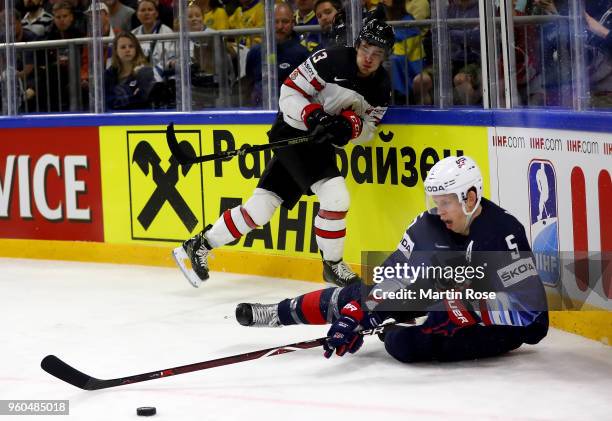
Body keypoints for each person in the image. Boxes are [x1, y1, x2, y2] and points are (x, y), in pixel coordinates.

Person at [233, 155, 549, 362]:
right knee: (358, 296)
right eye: (435, 202)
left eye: (445, 203)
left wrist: (466, 307)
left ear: (469, 197)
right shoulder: (428, 225)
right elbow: (389, 277)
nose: (439, 211)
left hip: (490, 328)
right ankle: (277, 313)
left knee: (402, 345)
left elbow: (534, 323)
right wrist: (357, 313)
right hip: (439, 293)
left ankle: (397, 331)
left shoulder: (503, 235)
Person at [173, 19, 394, 288]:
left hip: (317, 142)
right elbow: (288, 93)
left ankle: (200, 243)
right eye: (366, 48)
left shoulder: (382, 86)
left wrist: (350, 127)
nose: (369, 58)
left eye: (378, 53)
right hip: (292, 132)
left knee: (261, 208)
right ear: (358, 43)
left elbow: (369, 130)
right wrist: (312, 115)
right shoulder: (329, 60)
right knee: (336, 197)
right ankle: (333, 265)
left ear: (386, 56)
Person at [243, 2, 310, 106]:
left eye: (285, 21)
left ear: (293, 23)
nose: (280, 26)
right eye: (275, 21)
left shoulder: (302, 54)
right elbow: (249, 87)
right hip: (260, 111)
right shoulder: (254, 53)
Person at [104, 31, 156, 110]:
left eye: (131, 46)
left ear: (136, 49)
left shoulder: (144, 72)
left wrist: (121, 98)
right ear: (116, 51)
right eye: (123, 47)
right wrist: (132, 96)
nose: (127, 50)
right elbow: (107, 100)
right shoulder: (109, 74)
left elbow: (143, 100)